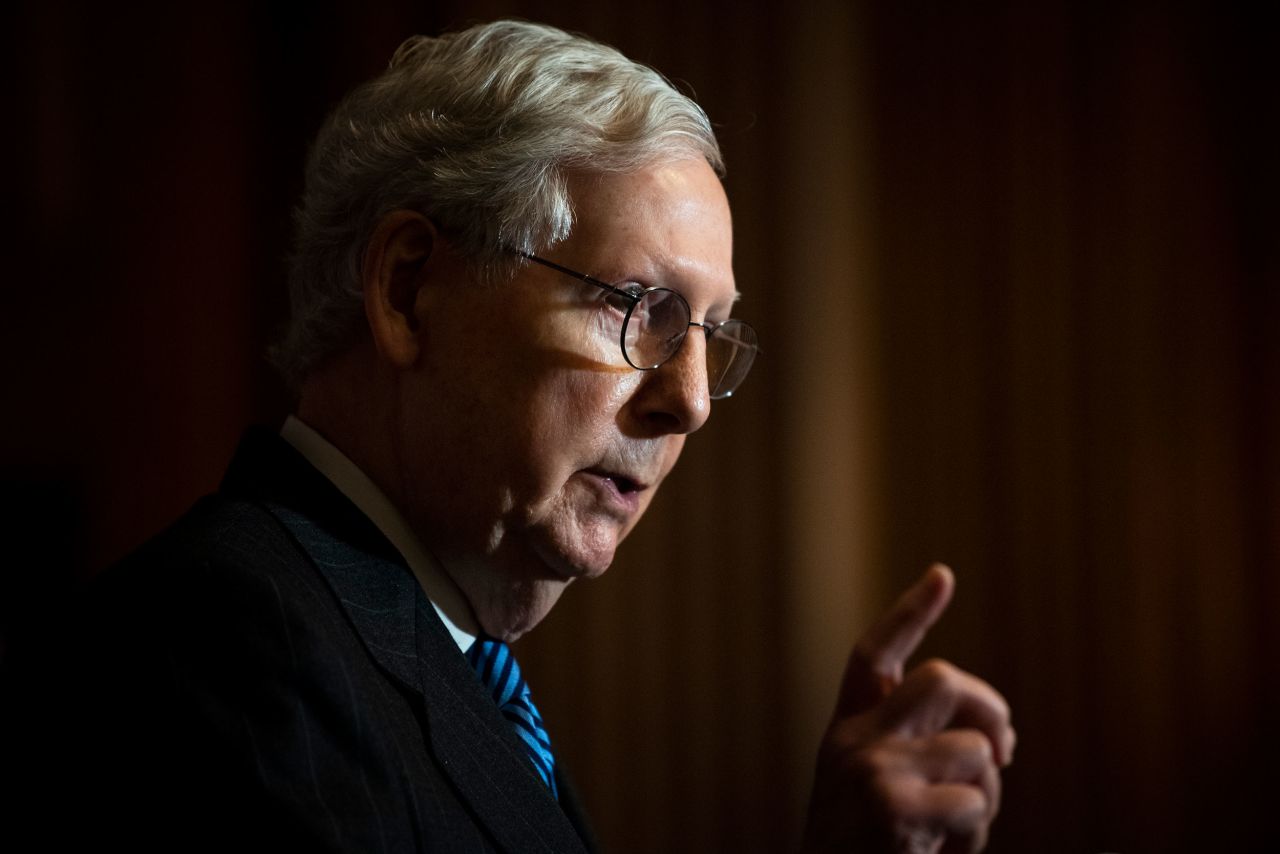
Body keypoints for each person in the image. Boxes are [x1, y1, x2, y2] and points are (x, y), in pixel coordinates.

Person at [10, 20, 1013, 853]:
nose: (692, 401)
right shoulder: (232, 643)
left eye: (709, 333)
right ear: (407, 289)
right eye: (640, 309)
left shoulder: (436, 654)